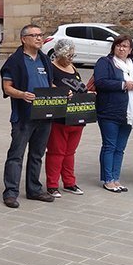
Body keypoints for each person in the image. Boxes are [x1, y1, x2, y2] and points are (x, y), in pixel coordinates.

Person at [0, 24, 56, 208]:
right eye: (35, 35)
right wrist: (22, 94)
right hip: (23, 116)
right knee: (16, 155)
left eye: (41, 35)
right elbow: (7, 88)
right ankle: (10, 192)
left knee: (37, 154)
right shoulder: (14, 61)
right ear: (24, 39)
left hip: (44, 113)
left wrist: (63, 93)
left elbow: (50, 84)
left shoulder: (45, 59)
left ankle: (34, 189)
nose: (39, 38)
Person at [93, 35, 133, 192]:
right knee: (109, 145)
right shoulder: (105, 62)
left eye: (125, 46)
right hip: (109, 111)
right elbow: (100, 82)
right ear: (114, 47)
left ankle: (116, 178)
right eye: (119, 45)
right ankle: (108, 179)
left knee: (120, 147)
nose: (122, 49)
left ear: (130, 50)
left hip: (129, 111)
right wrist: (123, 84)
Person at [44, 38, 86, 197]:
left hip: (77, 115)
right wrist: (61, 92)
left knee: (70, 152)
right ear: (59, 54)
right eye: (68, 55)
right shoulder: (51, 68)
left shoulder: (72, 67)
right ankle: (52, 184)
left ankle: (69, 182)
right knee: (56, 152)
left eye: (72, 55)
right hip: (60, 117)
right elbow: (46, 86)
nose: (70, 58)